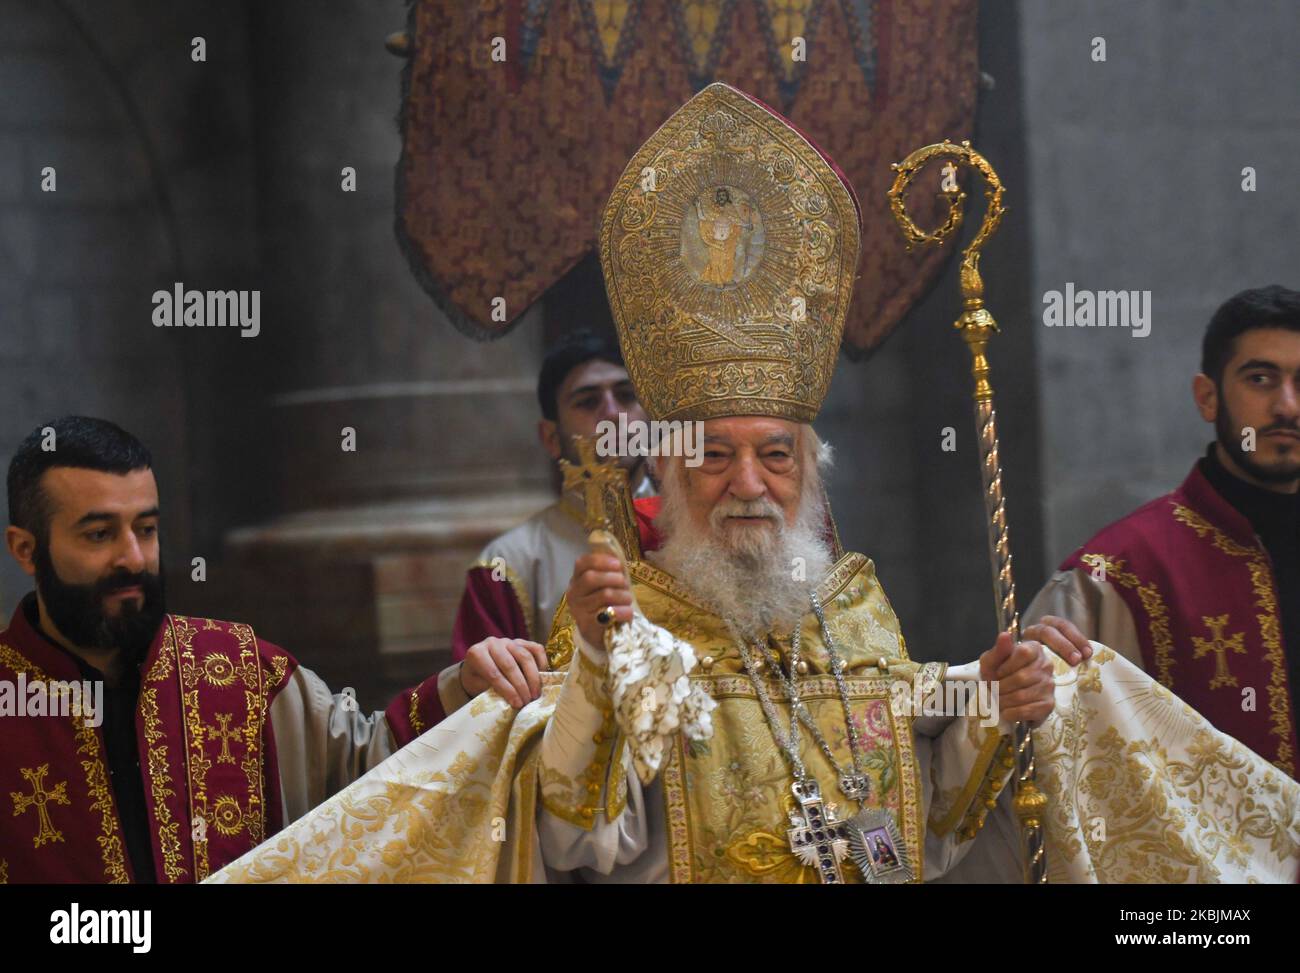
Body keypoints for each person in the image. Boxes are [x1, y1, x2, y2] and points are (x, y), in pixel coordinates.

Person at [212, 85, 1300, 886]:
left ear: (808, 474)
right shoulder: (624, 636)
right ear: (668, 472)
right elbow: (567, 833)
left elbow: (927, 794)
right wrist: (590, 665)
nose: (747, 482)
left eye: (775, 454)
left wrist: (994, 699)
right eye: (712, 454)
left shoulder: (851, 606)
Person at [0, 415, 533, 883]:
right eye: (99, 535)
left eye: (146, 528)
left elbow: (374, 775)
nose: (133, 558)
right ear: (26, 549)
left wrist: (464, 689)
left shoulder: (237, 669)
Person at [1026, 285, 1300, 777]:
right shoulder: (1114, 578)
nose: (1287, 406)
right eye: (1261, 378)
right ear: (1208, 397)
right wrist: (1019, 687)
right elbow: (1046, 765)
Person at [429, 330, 652, 722]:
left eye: (627, 395)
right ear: (551, 437)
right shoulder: (506, 564)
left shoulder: (698, 530)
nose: (614, 415)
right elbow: (486, 714)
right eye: (588, 402)